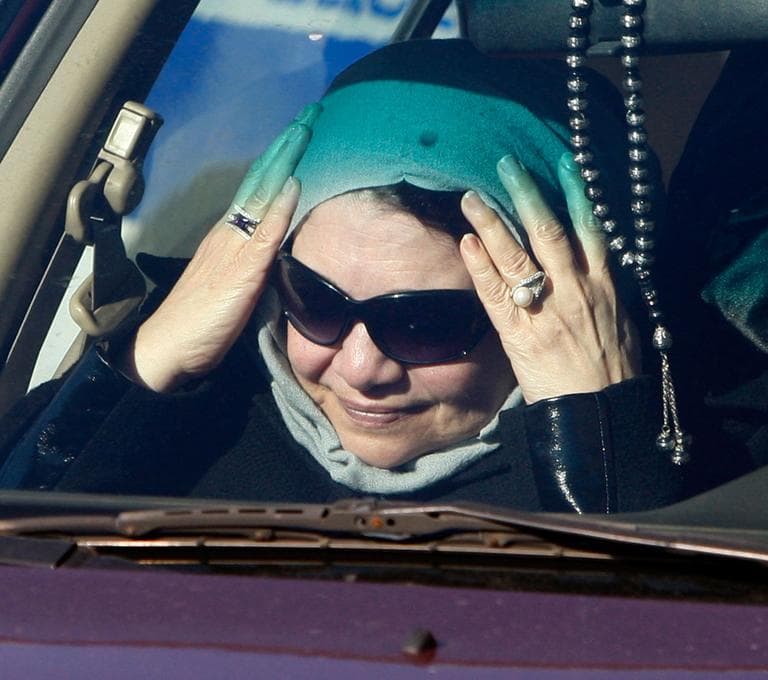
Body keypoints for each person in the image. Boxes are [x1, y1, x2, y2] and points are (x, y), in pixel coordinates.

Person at [0, 39, 749, 511]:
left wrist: (593, 424)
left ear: (568, 302)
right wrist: (147, 360)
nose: (360, 369)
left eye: (424, 320)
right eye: (315, 299)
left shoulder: (719, 462)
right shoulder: (192, 410)